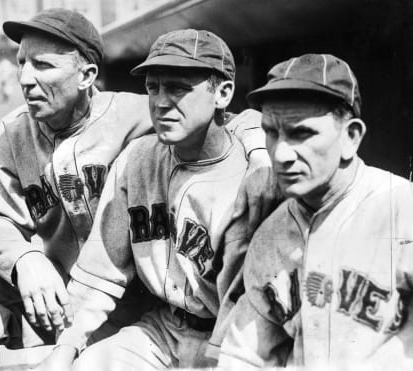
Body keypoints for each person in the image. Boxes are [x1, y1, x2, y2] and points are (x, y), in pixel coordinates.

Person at [38, 29, 276, 371]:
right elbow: (98, 273)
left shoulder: (255, 177)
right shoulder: (139, 159)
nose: (161, 101)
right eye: (153, 87)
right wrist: (64, 349)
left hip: (237, 341)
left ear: (223, 93)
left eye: (178, 87)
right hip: (165, 330)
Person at [0, 8, 154, 371]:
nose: (24, 77)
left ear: (87, 75)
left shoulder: (137, 117)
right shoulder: (13, 133)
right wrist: (26, 260)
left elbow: (217, 126)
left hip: (132, 301)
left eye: (42, 65)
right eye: (21, 62)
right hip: (55, 296)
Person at [218, 54, 413, 369]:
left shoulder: (402, 209)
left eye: (302, 133)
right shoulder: (270, 237)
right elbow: (242, 356)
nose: (281, 154)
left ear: (351, 137)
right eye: (271, 132)